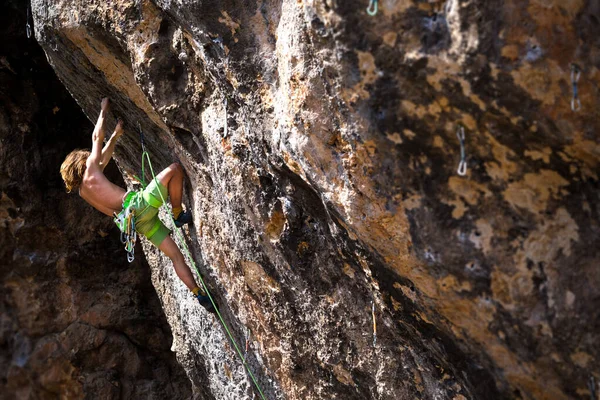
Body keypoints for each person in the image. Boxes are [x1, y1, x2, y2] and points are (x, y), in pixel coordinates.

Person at [60, 97, 213, 312]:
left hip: (136, 224)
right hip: (140, 205)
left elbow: (103, 159)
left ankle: (198, 293)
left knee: (176, 257)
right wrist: (103, 110)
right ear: (81, 163)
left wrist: (116, 135)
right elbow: (96, 137)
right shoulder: (90, 168)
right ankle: (178, 214)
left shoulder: (84, 192)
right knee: (175, 169)